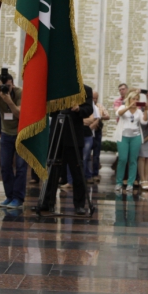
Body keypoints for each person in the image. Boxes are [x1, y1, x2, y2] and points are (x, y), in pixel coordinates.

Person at [48, 84, 95, 213]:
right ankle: (47, 202)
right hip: (57, 132)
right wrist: (54, 105)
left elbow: (89, 109)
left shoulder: (85, 89)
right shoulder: (56, 87)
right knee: (52, 169)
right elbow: (48, 110)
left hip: (73, 134)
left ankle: (79, 205)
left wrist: (78, 108)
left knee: (77, 171)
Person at [0, 71, 27, 209]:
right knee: (5, 167)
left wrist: (8, 100)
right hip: (6, 134)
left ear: (13, 85)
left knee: (21, 167)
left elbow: (19, 114)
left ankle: (18, 198)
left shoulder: (20, 92)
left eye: (8, 86)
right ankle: (9, 196)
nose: (6, 89)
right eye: (3, 86)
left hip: (21, 134)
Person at [114, 90, 148, 193]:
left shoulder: (139, 111)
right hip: (123, 137)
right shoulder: (123, 107)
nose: (136, 101)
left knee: (133, 160)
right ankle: (119, 183)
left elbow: (144, 122)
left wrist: (146, 110)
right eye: (134, 98)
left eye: (137, 99)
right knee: (123, 159)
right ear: (129, 99)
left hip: (135, 137)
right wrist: (129, 107)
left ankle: (130, 183)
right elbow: (118, 114)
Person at [90, 90, 109, 179]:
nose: (95, 100)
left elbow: (108, 116)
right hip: (88, 131)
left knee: (96, 154)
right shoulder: (87, 106)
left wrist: (98, 117)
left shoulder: (99, 106)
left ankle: (95, 173)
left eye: (96, 98)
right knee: (87, 154)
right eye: (93, 98)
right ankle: (87, 174)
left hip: (97, 131)